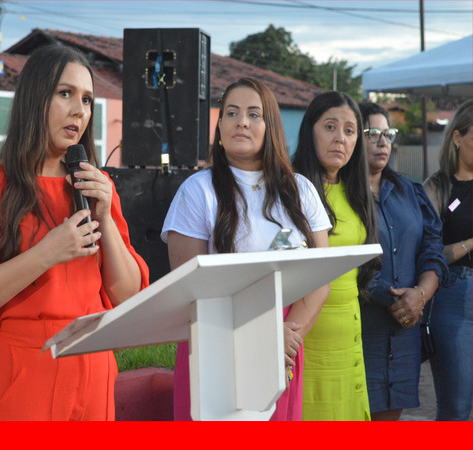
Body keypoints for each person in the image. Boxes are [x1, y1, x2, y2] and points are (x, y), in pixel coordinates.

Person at [0, 45, 149, 421]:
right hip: (19, 376)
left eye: (87, 99)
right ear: (35, 99)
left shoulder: (96, 188)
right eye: (65, 94)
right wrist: (47, 252)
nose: (79, 110)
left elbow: (129, 297)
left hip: (93, 374)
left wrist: (106, 219)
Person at [161, 78, 332, 421]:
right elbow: (192, 289)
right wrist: (261, 336)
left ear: (271, 127)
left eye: (254, 114)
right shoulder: (197, 191)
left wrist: (283, 339)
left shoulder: (301, 190)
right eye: (231, 113)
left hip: (283, 343)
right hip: (216, 342)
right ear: (220, 126)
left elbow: (319, 279)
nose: (241, 122)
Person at [292, 91, 380, 421]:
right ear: (309, 131)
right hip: (306, 335)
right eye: (330, 127)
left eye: (349, 130)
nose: (340, 138)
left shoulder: (355, 191)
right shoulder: (291, 189)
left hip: (350, 335)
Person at [358, 102, 447, 421]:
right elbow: (343, 261)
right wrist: (396, 299)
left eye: (388, 134)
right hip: (362, 330)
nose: (383, 142)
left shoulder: (410, 192)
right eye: (373, 133)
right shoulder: (339, 195)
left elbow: (433, 250)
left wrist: (419, 295)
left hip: (406, 328)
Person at [423, 99, 472, 421]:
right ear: (457, 137)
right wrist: (469, 244)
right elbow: (427, 253)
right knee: (456, 407)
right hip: (454, 298)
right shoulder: (438, 187)